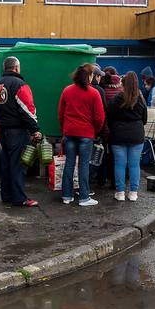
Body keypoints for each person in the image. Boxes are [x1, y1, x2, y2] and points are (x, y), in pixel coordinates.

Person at [0, 56, 42, 207]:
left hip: (4, 131)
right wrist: (35, 129)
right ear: (17, 68)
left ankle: (6, 195)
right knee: (18, 165)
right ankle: (19, 198)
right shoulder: (20, 84)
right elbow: (28, 109)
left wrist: (4, 118)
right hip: (18, 132)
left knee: (6, 163)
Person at [58, 64, 105, 206]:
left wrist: (64, 130)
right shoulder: (94, 93)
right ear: (89, 76)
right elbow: (99, 117)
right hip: (86, 134)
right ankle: (84, 197)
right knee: (84, 165)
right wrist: (95, 131)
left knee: (69, 164)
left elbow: (60, 114)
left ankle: (67, 196)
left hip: (69, 133)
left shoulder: (67, 90)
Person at [107, 71, 147, 202]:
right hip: (136, 135)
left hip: (118, 135)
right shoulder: (140, 99)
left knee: (119, 164)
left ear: (122, 85)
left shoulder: (116, 99)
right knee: (134, 165)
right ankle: (133, 193)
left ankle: (120, 193)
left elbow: (109, 118)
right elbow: (144, 119)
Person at [100, 69, 124, 188]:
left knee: (103, 153)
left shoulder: (103, 91)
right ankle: (115, 182)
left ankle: (103, 178)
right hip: (117, 128)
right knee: (117, 156)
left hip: (105, 127)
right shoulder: (121, 92)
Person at [90, 64, 107, 187]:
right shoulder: (99, 90)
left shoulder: (75, 88)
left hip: (83, 130)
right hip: (95, 130)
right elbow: (103, 112)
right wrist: (101, 130)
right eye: (99, 76)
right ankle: (98, 181)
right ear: (95, 76)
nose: (100, 78)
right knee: (98, 157)